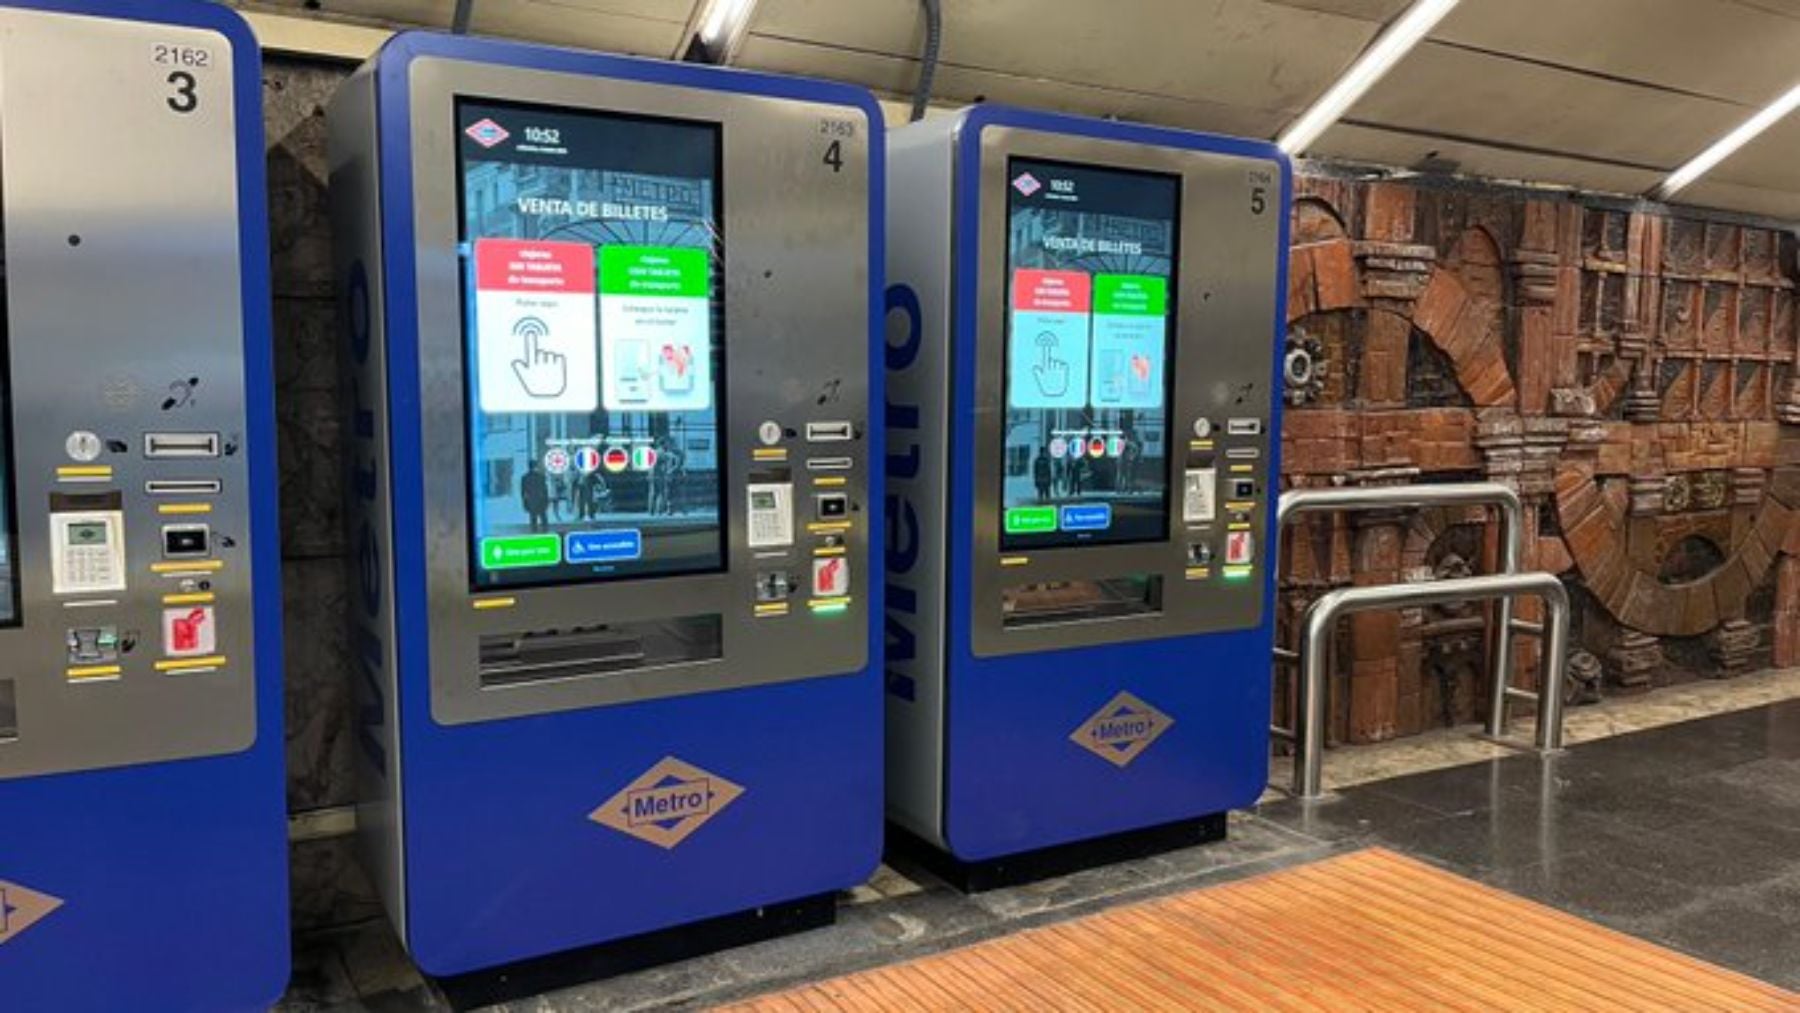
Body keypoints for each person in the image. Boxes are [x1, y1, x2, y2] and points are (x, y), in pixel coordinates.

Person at [520, 461, 549, 533]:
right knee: (543, 517)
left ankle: (534, 533)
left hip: (531, 501)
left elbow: (523, 492)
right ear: (536, 466)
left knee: (533, 519)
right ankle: (545, 533)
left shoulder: (525, 477)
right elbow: (545, 490)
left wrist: (524, 502)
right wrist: (547, 500)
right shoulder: (541, 476)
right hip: (541, 500)